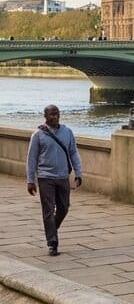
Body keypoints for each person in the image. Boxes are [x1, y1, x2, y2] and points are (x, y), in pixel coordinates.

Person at [26, 104, 83, 256]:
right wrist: (30, 180)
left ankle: (51, 229)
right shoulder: (38, 135)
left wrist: (78, 173)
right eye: (51, 114)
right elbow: (31, 159)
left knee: (64, 208)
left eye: (56, 114)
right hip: (45, 177)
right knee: (48, 210)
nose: (55, 117)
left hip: (63, 176)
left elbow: (74, 153)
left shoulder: (67, 132)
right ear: (45, 116)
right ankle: (52, 243)